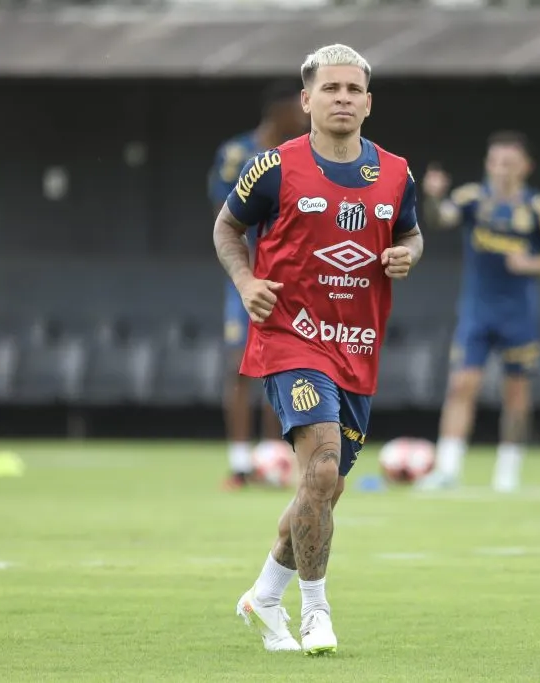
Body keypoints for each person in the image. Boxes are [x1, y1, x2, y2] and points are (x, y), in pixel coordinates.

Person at [212, 44, 423, 655]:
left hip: (357, 346)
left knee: (320, 491)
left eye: (353, 90)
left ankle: (264, 596)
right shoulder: (273, 168)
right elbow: (227, 226)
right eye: (330, 89)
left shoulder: (395, 173)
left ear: (368, 103)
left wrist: (408, 253)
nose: (342, 99)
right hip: (292, 338)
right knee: (322, 466)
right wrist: (248, 281)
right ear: (306, 100)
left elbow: (409, 231)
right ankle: (317, 614)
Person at [414, 131, 540, 493]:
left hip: (519, 314)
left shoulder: (537, 208)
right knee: (462, 384)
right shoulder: (472, 198)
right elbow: (440, 219)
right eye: (496, 162)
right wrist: (433, 196)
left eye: (509, 163)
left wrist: (528, 263)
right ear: (487, 164)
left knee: (516, 391)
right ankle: (448, 468)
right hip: (477, 312)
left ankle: (507, 471)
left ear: (525, 167)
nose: (501, 170)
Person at [207, 81, 308, 490]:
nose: (304, 116)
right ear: (278, 111)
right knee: (238, 364)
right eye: (297, 108)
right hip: (248, 278)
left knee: (282, 366)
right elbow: (224, 218)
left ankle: (276, 457)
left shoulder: (306, 154)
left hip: (294, 280)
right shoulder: (237, 155)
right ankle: (239, 462)